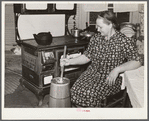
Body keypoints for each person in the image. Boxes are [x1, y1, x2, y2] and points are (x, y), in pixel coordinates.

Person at [60, 10, 142, 107]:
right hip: (92, 72)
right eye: (97, 27)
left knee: (89, 94)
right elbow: (87, 57)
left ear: (110, 25)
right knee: (74, 90)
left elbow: (137, 61)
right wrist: (69, 62)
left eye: (100, 27)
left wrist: (117, 70)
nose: (98, 30)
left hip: (110, 77)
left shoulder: (123, 41)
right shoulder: (96, 38)